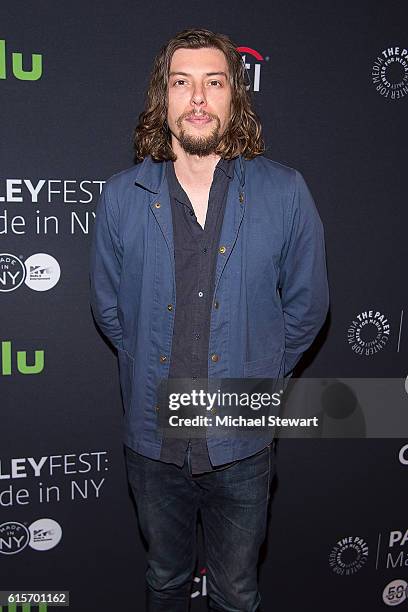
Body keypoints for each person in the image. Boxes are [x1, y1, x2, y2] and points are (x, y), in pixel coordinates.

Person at [90, 27, 329, 612]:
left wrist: (258, 381)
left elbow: (307, 307)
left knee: (237, 593)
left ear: (234, 97)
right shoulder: (122, 197)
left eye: (213, 82)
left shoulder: (285, 192)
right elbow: (110, 311)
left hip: (243, 444)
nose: (198, 97)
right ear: (163, 98)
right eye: (182, 83)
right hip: (153, 444)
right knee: (164, 582)